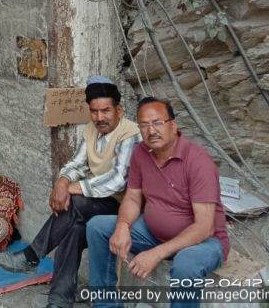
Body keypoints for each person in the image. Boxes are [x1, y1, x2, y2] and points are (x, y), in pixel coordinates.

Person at [0, 76, 141, 308]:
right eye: (94, 111)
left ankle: (32, 256)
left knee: (75, 203)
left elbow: (117, 181)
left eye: (105, 111)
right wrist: (62, 182)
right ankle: (59, 300)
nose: (99, 117)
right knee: (73, 229)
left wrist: (71, 188)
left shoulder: (129, 133)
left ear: (119, 110)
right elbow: (77, 163)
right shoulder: (92, 130)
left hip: (125, 209)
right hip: (98, 206)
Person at [86, 97, 230, 308]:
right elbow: (133, 197)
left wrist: (156, 254)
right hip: (154, 233)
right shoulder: (141, 153)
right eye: (144, 125)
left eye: (157, 123)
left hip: (204, 242)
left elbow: (204, 227)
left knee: (186, 265)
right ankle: (105, 304)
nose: (151, 131)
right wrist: (123, 226)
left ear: (173, 125)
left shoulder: (198, 161)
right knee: (97, 226)